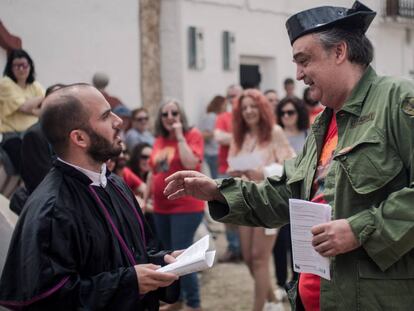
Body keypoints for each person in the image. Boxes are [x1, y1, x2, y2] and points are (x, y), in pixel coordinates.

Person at [163, 1, 414, 310]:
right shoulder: (324, 123)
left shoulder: (398, 99)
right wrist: (217, 191)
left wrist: (360, 229)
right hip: (315, 297)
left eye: (304, 60)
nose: (298, 74)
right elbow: (286, 194)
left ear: (339, 52)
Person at [0, 84, 180, 310]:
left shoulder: (116, 184)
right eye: (106, 116)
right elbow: (48, 298)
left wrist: (168, 261)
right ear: (79, 138)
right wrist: (128, 283)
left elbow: (137, 252)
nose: (119, 121)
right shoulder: (52, 208)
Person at [227, 89, 294, 311]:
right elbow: (232, 163)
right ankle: (273, 301)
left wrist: (264, 171)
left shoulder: (275, 132)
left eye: (253, 106)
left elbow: (291, 165)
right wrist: (233, 171)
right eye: (244, 108)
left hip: (268, 200)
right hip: (244, 200)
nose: (248, 111)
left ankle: (260, 307)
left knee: (259, 259)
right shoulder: (240, 136)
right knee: (248, 258)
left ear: (261, 108)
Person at [149, 99, 204, 311]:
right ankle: (177, 299)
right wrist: (146, 198)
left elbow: (191, 163)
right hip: (161, 208)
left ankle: (194, 303)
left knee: (183, 258)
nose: (170, 117)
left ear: (181, 115)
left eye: (174, 113)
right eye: (165, 114)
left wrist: (180, 136)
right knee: (167, 256)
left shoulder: (192, 135)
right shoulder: (159, 140)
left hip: (186, 207)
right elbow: (153, 171)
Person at [9, 83, 65, 215]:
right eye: (54, 98)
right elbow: (40, 179)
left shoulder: (67, 134)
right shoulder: (35, 134)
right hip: (44, 209)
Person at [273, 96, 309, 300]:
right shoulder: (276, 135)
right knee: (279, 244)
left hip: (301, 198)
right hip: (280, 196)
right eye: (283, 113)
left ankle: (296, 281)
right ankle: (279, 282)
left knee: (298, 244)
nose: (286, 116)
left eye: (291, 112)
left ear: (299, 113)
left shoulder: (308, 134)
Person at [214, 84, 243, 263]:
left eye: (235, 95)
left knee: (243, 209)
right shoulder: (223, 117)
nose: (232, 98)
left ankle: (243, 249)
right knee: (226, 211)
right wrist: (240, 138)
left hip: (244, 169)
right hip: (225, 169)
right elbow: (218, 137)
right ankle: (234, 248)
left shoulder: (246, 116)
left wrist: (229, 138)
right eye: (229, 95)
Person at [0, 49, 44, 134]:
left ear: (30, 66)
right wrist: (41, 98)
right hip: (12, 134)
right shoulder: (5, 83)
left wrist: (31, 108)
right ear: (10, 68)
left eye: (24, 65)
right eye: (17, 66)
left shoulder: (34, 85)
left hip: (35, 130)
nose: (21, 69)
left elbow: (47, 107)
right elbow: (24, 107)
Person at [198, 95, 226, 179]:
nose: (226, 107)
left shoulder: (215, 116)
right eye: (224, 104)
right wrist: (218, 133)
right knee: (217, 179)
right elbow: (204, 135)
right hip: (212, 153)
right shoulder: (211, 116)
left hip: (214, 153)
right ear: (219, 105)